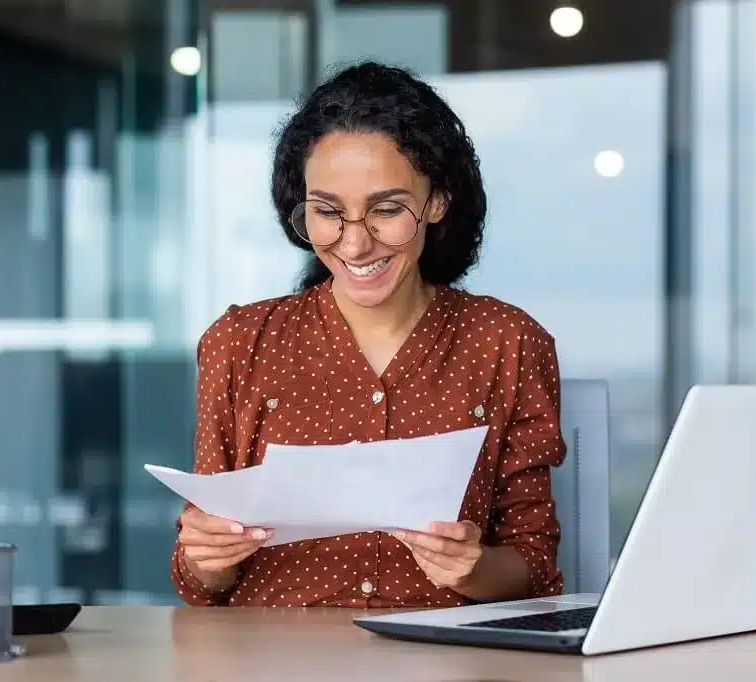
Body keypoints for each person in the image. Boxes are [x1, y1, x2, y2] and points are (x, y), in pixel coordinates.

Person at [170, 61, 566, 608]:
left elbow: (535, 567)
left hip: (441, 663)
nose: (355, 246)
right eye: (328, 213)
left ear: (436, 201)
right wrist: (206, 555)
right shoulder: (240, 342)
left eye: (387, 210)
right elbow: (200, 583)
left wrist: (471, 570)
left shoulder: (507, 343)